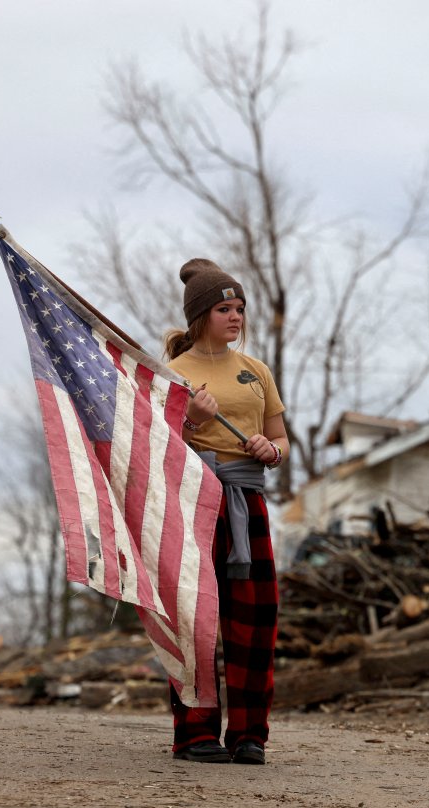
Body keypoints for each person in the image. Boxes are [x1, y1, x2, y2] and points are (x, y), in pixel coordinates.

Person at [163, 258, 288, 765]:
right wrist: (190, 421)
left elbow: (281, 439)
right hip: (192, 502)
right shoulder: (172, 374)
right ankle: (194, 733)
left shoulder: (255, 371)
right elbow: (158, 445)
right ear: (201, 316)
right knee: (195, 619)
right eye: (223, 308)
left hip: (247, 503)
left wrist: (271, 451)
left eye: (238, 308)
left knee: (254, 619)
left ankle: (248, 735)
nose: (235, 317)